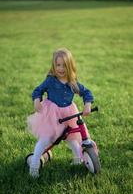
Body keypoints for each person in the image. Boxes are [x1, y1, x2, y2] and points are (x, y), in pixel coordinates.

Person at [27, 48, 96, 178]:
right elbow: (38, 90)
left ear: (70, 66)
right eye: (58, 65)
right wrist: (37, 100)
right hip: (52, 114)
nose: (61, 68)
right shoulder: (50, 80)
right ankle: (34, 164)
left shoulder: (72, 81)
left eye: (64, 65)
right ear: (54, 65)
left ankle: (78, 159)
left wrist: (87, 104)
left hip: (69, 113)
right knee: (45, 139)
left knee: (72, 138)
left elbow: (86, 92)